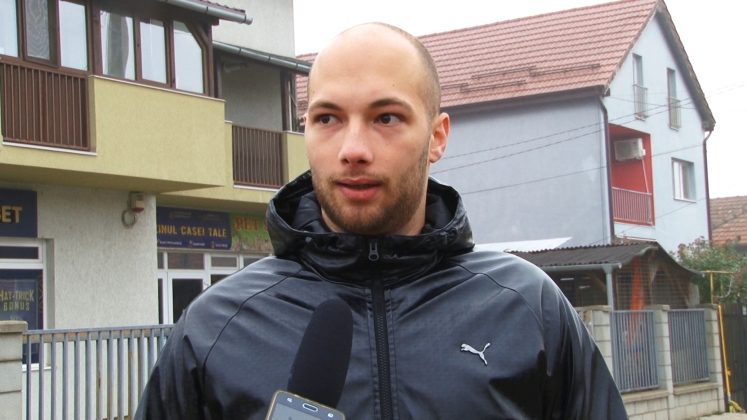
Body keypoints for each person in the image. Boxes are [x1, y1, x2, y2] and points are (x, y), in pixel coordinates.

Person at [136, 23, 628, 419]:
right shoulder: (216, 326)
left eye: (386, 117)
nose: (353, 149)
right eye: (327, 118)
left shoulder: (528, 308)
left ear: (437, 137)